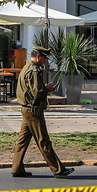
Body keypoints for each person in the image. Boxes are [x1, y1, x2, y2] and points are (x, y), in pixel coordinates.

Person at [12, 46, 74, 178]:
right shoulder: (34, 70)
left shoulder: (26, 67)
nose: (45, 61)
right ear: (38, 56)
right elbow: (37, 92)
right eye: (44, 58)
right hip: (34, 111)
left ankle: (17, 168)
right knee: (43, 140)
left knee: (22, 141)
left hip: (27, 109)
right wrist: (48, 89)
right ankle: (58, 169)